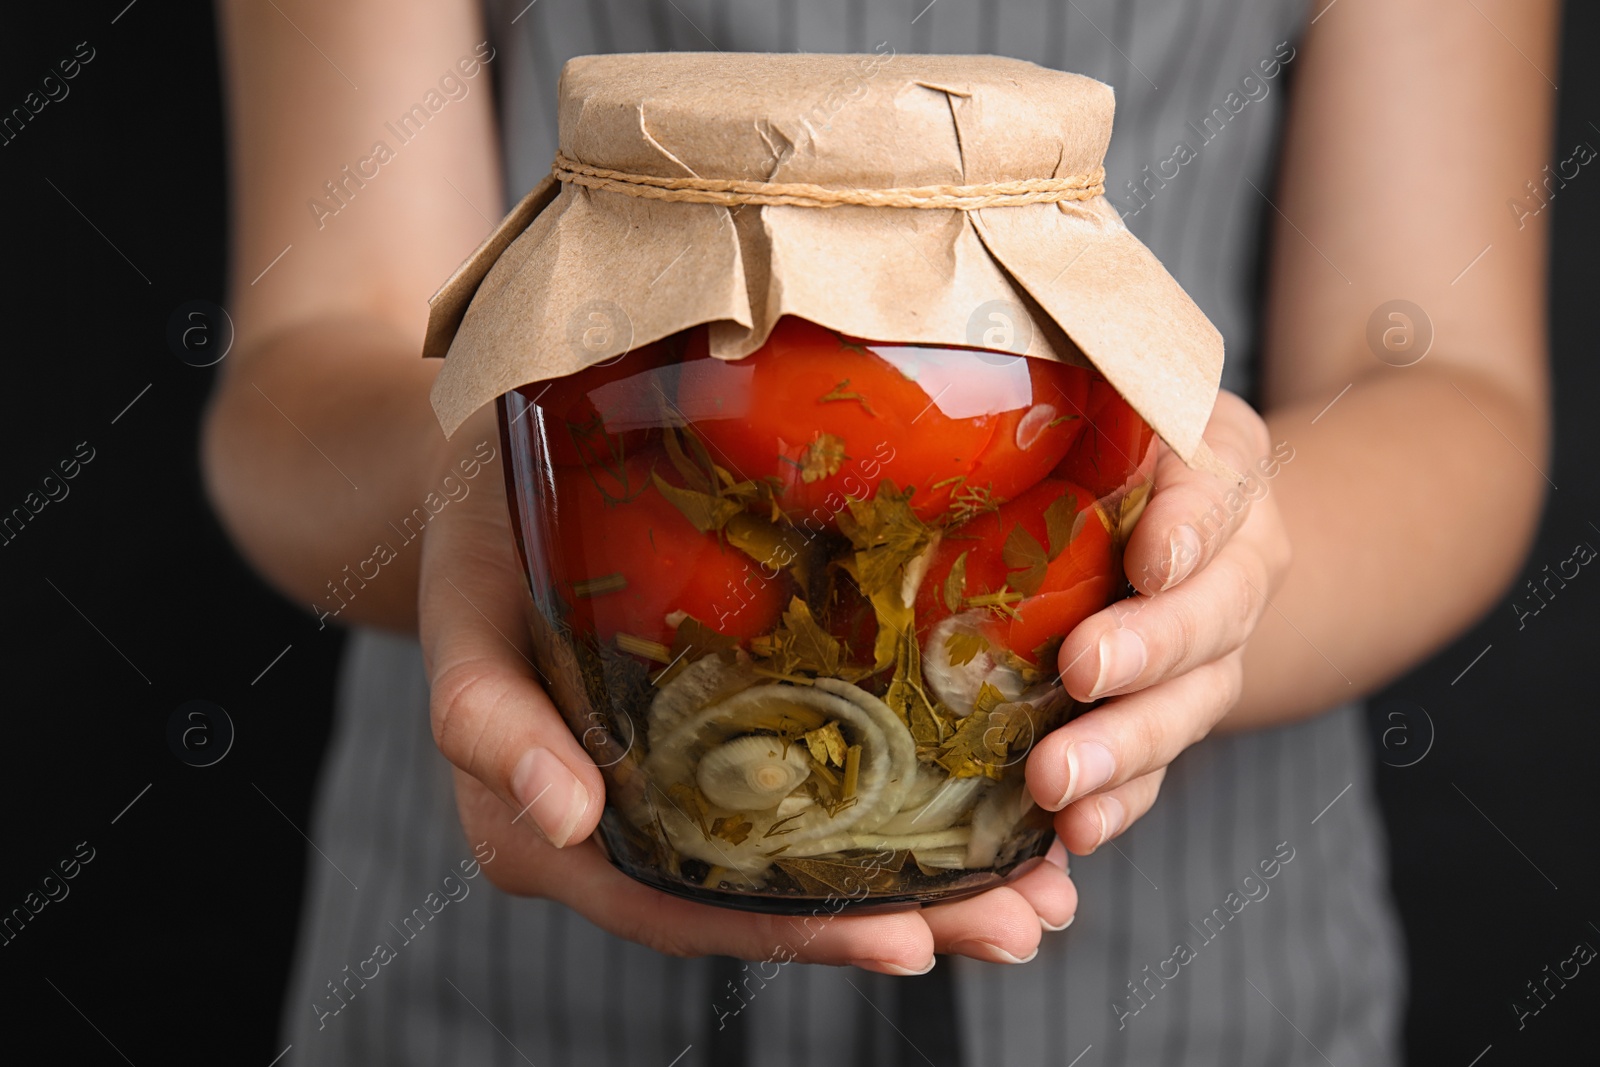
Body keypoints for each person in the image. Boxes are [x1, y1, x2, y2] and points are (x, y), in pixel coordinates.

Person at [206, 0, 1556, 1063]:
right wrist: (476, 486)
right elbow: (310, 359)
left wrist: (1229, 578)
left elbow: (1447, 384)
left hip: (1200, 999)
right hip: (485, 999)